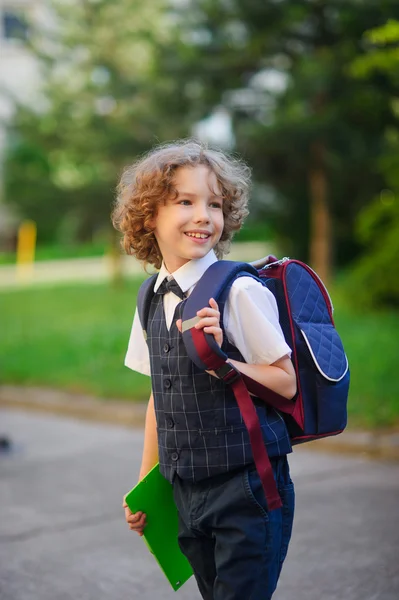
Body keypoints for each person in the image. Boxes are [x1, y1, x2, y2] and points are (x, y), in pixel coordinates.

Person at [112, 139, 296, 600]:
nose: (204, 216)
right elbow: (161, 392)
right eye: (186, 202)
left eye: (214, 204)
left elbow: (286, 382)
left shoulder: (238, 292)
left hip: (247, 492)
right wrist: (146, 485)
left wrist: (224, 362)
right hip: (185, 493)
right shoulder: (150, 298)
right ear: (149, 215)